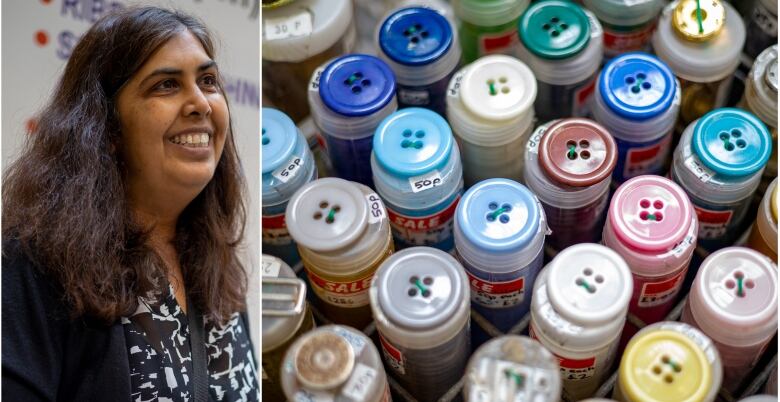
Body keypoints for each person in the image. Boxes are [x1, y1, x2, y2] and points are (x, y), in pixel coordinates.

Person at [2, 7, 258, 402]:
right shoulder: (32, 264)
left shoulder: (218, 265)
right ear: (105, 128)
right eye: (166, 86)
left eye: (207, 81)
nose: (201, 104)